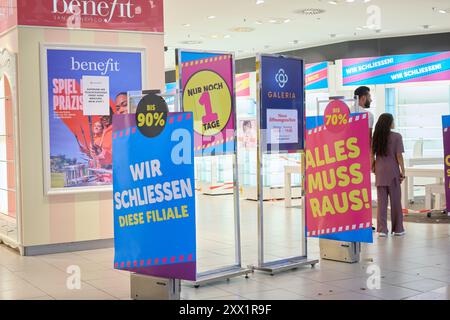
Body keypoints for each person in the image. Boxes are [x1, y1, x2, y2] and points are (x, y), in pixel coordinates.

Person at [371, 113, 406, 238]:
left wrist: (373, 166)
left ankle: (382, 230)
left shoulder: (376, 137)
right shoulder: (396, 136)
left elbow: (372, 154)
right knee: (396, 201)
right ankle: (398, 229)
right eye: (393, 120)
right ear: (389, 123)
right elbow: (399, 156)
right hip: (392, 172)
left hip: (380, 171)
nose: (394, 122)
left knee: (382, 202)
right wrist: (403, 170)